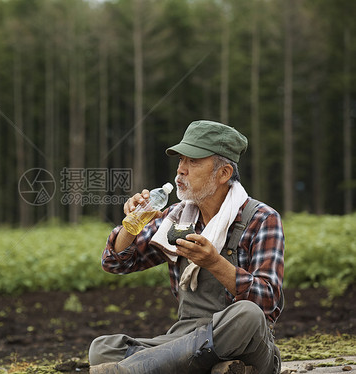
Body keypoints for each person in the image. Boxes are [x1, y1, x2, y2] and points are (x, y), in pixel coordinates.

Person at [88, 120, 284, 374]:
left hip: (245, 342)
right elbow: (115, 263)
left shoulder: (261, 219)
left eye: (193, 162)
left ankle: (137, 369)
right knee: (102, 348)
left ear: (224, 173)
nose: (181, 170)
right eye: (181, 160)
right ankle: (209, 367)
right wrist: (131, 224)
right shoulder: (176, 217)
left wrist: (215, 262)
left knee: (248, 315)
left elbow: (268, 302)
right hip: (185, 335)